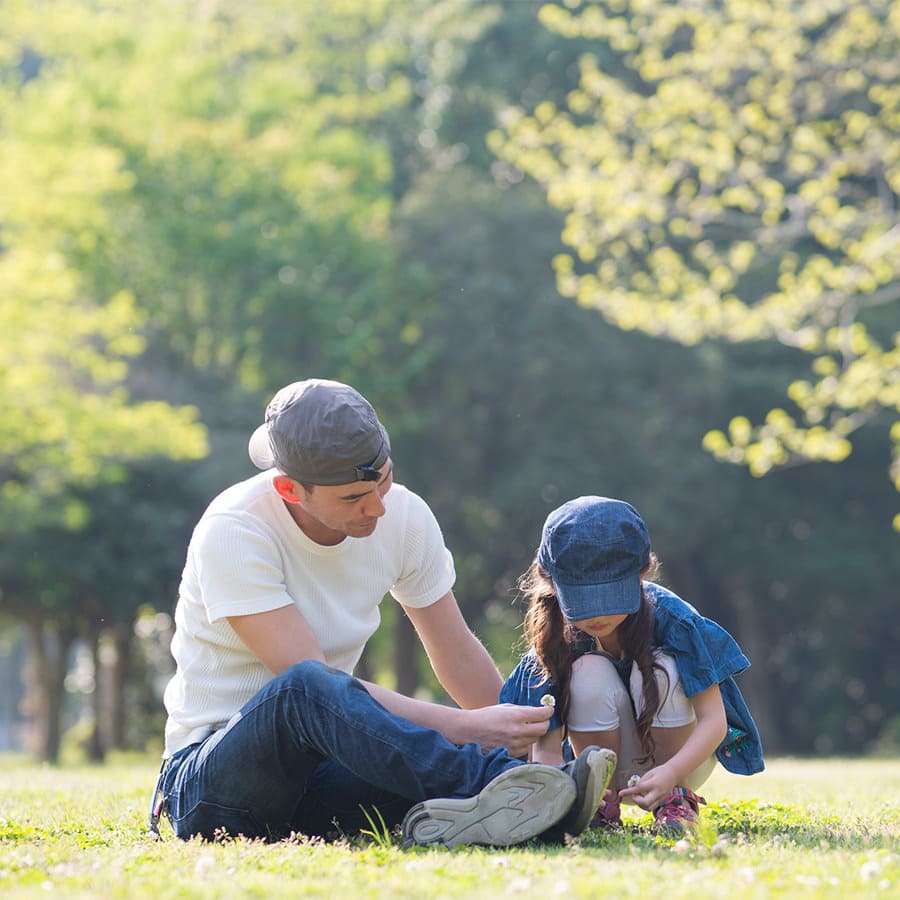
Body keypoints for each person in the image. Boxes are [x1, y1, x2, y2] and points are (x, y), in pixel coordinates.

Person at [151, 379, 616, 847]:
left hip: (325, 777)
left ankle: (526, 793)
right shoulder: (234, 531)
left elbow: (455, 652)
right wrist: (463, 728)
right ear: (291, 489)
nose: (376, 507)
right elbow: (311, 685)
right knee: (304, 686)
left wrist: (532, 749)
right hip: (212, 784)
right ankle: (493, 785)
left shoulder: (405, 516)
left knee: (399, 742)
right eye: (352, 498)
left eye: (384, 480)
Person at [500, 496, 764, 834]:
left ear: (644, 572)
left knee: (660, 667)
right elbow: (546, 750)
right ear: (550, 582)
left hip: (681, 762)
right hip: (601, 768)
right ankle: (600, 804)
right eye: (581, 602)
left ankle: (676, 801)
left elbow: (715, 721)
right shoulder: (555, 634)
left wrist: (672, 773)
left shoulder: (674, 620)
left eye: (610, 598)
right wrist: (562, 793)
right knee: (587, 671)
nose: (596, 615)